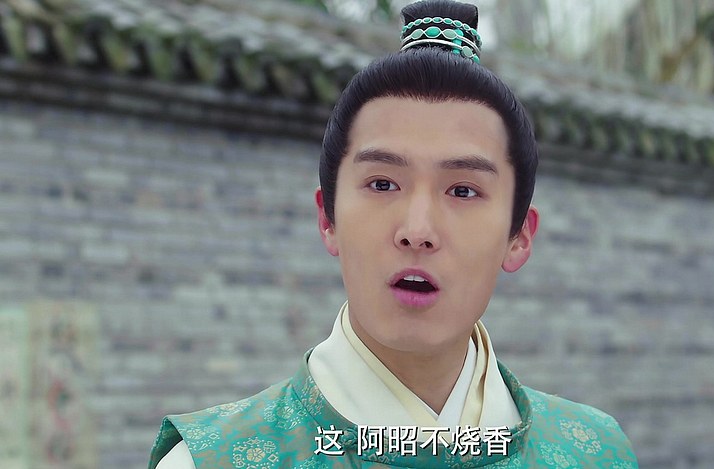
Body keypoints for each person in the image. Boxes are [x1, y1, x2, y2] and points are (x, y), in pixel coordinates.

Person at [149, 1, 638, 467]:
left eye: (463, 190)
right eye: (382, 184)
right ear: (328, 219)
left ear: (519, 236)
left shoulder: (595, 453)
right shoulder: (209, 460)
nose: (417, 231)